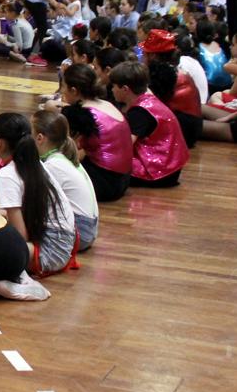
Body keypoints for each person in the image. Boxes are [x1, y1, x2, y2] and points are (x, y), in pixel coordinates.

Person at [0, 113, 78, 281]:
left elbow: (20, 238)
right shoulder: (34, 163)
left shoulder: (7, 174)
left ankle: (19, 284)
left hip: (49, 251)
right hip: (64, 243)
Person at [109, 61, 189, 187]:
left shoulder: (140, 112)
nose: (112, 90)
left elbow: (124, 145)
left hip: (159, 171)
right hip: (170, 167)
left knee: (105, 163)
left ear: (125, 89)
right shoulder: (148, 101)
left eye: (113, 86)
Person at [60, 63, 132, 201]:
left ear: (74, 90)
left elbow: (68, 151)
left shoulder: (80, 113)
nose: (62, 91)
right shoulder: (107, 104)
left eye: (64, 86)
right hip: (123, 180)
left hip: (102, 183)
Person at [33, 109, 100, 251]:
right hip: (88, 229)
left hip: (80, 232)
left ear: (39, 138)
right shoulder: (61, 157)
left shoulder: (53, 166)